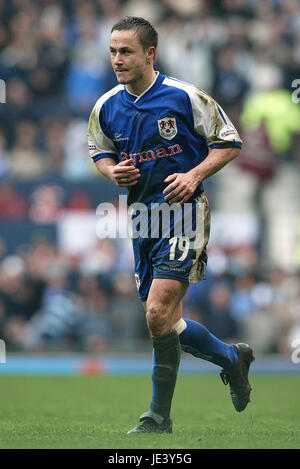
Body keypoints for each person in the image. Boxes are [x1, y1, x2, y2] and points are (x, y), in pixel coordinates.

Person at [88, 16, 255, 434]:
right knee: (163, 321)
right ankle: (233, 359)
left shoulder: (184, 96)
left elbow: (229, 141)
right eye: (112, 51)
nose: (117, 59)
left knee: (158, 311)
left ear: (150, 53)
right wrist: (111, 173)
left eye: (125, 51)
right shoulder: (106, 105)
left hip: (185, 214)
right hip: (142, 219)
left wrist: (194, 174)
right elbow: (98, 151)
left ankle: (157, 417)